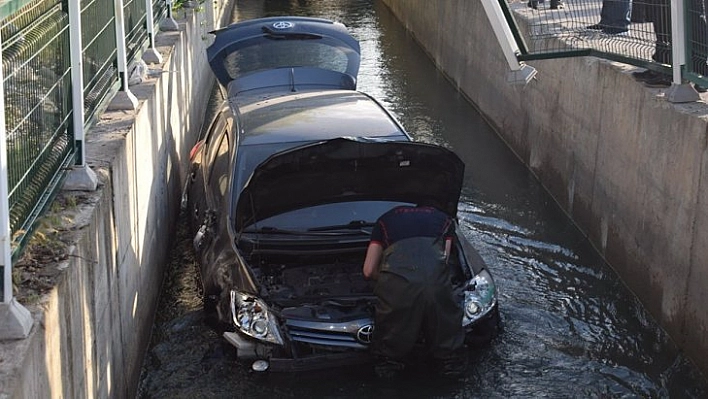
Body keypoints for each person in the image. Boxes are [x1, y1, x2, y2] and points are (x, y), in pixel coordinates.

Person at [362, 204, 465, 377]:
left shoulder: (384, 222)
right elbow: (442, 263)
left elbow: (368, 270)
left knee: (389, 358)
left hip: (397, 293)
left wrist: (391, 281)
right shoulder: (444, 220)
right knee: (448, 354)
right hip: (436, 290)